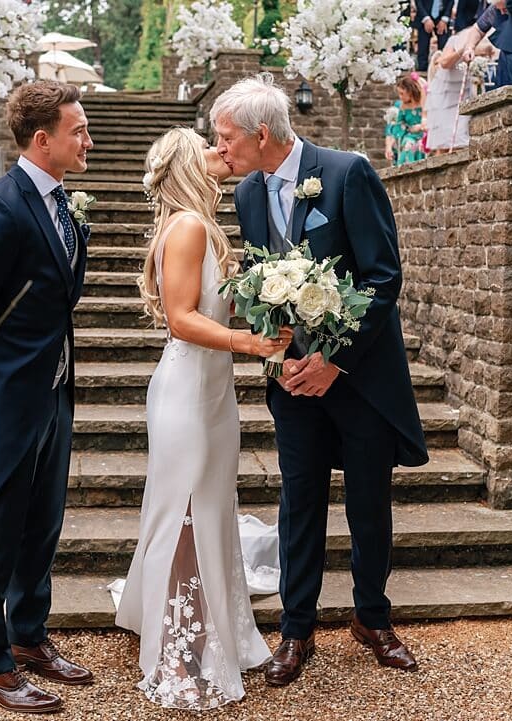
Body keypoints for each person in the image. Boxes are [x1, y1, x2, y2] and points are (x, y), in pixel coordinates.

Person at [211, 74, 430, 687]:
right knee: (297, 504)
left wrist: (336, 360)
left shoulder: (347, 174)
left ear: (261, 134)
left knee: (368, 504)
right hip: (294, 385)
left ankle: (372, 618)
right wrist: (277, 358)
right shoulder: (248, 195)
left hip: (358, 380)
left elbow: (383, 278)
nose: (219, 147)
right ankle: (296, 629)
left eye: (226, 136)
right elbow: (261, 289)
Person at [115, 129, 289, 710]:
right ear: (190, 163)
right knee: (186, 517)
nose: (221, 151)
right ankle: (177, 656)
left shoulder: (201, 225)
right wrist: (248, 341)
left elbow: (214, 305)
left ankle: (203, 632)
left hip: (211, 393)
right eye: (208, 147)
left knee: (209, 512)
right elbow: (182, 320)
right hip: (188, 391)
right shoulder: (187, 227)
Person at [0, 81, 94, 714]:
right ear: (43, 139)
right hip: (3, 399)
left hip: (55, 394)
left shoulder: (65, 205)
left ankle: (30, 637)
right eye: (78, 130)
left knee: (43, 527)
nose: (88, 140)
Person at [386, 75, 428, 166]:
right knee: (408, 145)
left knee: (421, 146)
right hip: (410, 136)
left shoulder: (424, 103)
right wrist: (389, 147)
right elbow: (398, 129)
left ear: (410, 91)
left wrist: (421, 127)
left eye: (402, 93)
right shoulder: (402, 107)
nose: (400, 97)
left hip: (425, 135)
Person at [415, 0, 456, 71]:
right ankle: (422, 72)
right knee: (423, 47)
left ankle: (442, 71)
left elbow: (451, 2)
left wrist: (444, 19)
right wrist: (426, 19)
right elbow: (418, 2)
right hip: (424, 16)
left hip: (442, 16)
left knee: (444, 47)